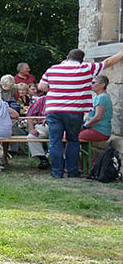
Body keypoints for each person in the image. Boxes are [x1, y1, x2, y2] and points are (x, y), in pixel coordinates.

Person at [40, 46, 123, 178]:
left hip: (54, 109)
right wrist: (121, 53)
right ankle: (72, 171)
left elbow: (41, 86)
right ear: (81, 60)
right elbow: (107, 62)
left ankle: (57, 172)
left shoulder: (53, 69)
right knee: (73, 140)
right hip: (75, 110)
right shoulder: (86, 69)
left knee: (55, 141)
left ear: (67, 58)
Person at [79, 75, 113, 144]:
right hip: (93, 129)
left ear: (102, 85)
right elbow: (88, 114)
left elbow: (98, 117)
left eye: (93, 83)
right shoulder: (97, 97)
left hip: (100, 130)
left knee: (69, 136)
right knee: (67, 133)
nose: (91, 85)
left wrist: (85, 126)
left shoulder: (102, 97)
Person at [26, 81, 51, 169]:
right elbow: (29, 115)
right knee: (31, 137)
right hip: (43, 126)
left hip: (59, 126)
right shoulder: (41, 100)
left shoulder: (63, 100)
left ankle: (62, 161)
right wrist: (32, 129)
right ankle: (43, 159)